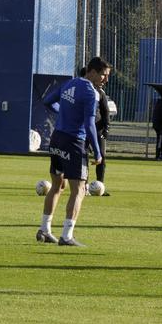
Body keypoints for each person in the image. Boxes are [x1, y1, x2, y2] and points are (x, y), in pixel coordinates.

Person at [37, 57, 111, 247]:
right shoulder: (91, 93)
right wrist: (97, 151)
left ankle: (45, 230)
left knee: (57, 186)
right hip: (74, 142)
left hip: (57, 138)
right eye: (104, 75)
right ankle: (67, 235)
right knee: (78, 190)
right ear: (92, 71)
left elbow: (47, 101)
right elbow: (89, 124)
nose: (105, 79)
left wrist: (63, 113)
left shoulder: (68, 84)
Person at [92, 80, 112, 195]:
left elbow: (106, 111)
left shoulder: (100, 92)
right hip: (84, 129)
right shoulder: (82, 91)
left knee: (101, 157)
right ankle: (83, 187)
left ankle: (100, 186)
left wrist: (106, 128)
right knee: (82, 156)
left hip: (98, 128)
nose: (104, 80)